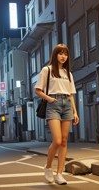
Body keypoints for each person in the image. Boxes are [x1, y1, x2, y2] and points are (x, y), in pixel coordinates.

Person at [35, 43, 79, 185]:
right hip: (53, 104)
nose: (63, 56)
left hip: (67, 104)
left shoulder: (68, 74)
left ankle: (59, 174)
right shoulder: (47, 70)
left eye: (65, 54)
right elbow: (38, 90)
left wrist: (75, 111)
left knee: (65, 140)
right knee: (58, 140)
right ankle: (48, 168)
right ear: (55, 55)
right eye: (60, 53)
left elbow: (71, 95)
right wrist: (49, 99)